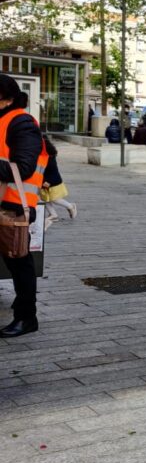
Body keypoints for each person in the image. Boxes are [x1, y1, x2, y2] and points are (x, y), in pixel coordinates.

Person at [0, 77, 47, 338]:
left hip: (13, 207)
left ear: (7, 99)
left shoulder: (22, 122)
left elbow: (24, 167)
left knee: (19, 261)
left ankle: (26, 317)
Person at [41, 136, 77, 230]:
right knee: (45, 199)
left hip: (52, 181)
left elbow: (51, 170)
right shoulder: (42, 155)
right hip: (43, 182)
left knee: (55, 199)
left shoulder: (49, 156)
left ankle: (70, 206)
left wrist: (48, 181)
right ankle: (53, 215)